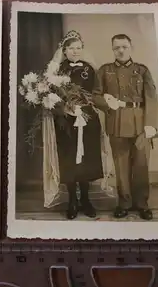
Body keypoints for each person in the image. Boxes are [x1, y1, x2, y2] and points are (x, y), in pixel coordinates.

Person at [92, 34, 158, 220]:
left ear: (131, 47)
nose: (120, 50)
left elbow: (151, 99)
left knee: (141, 165)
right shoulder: (105, 71)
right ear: (112, 49)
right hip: (117, 122)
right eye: (116, 48)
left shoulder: (142, 70)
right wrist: (107, 102)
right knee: (121, 166)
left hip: (140, 123)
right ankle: (124, 203)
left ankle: (142, 204)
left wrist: (151, 125)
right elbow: (95, 96)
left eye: (124, 47)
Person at [51, 30, 104, 220]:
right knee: (70, 159)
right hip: (66, 121)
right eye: (71, 48)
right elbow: (50, 96)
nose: (75, 51)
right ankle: (72, 200)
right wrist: (64, 108)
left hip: (87, 118)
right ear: (64, 51)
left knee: (86, 159)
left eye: (78, 48)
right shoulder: (56, 70)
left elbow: (97, 91)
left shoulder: (89, 69)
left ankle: (86, 200)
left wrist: (86, 104)